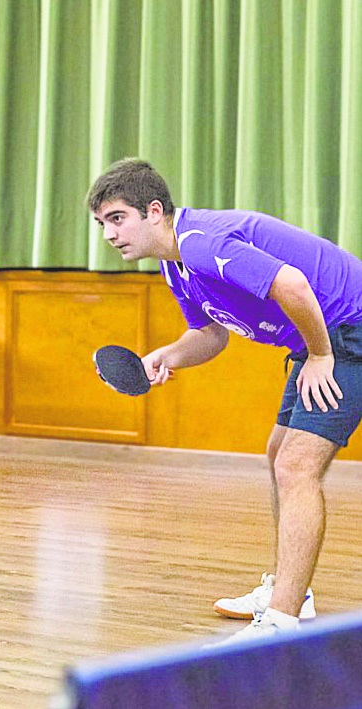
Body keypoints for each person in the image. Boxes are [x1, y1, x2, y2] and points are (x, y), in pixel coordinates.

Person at [87, 158, 362, 642]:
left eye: (117, 218)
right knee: (280, 454)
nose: (109, 234)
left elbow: (293, 284)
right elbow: (212, 334)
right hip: (315, 336)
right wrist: (167, 355)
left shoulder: (200, 243)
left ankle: (281, 623)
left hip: (346, 329)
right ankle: (292, 593)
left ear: (154, 211)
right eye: (102, 224)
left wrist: (321, 354)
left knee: (296, 467)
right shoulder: (175, 267)